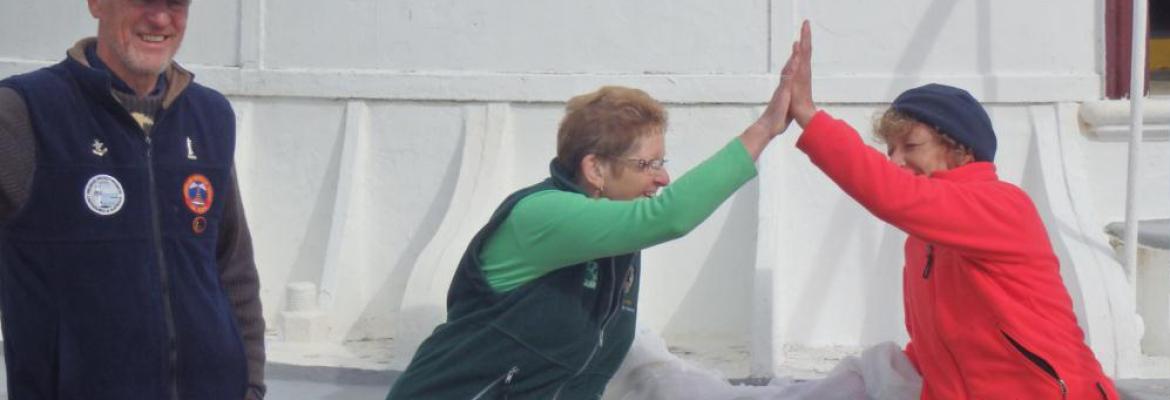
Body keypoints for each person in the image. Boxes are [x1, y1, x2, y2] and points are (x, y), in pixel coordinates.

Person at [386, 59, 798, 398]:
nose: (663, 178)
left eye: (662, 163)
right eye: (648, 165)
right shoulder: (543, 214)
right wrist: (763, 130)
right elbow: (670, 216)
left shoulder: (617, 239)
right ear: (595, 168)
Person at [784, 21, 1119, 399]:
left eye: (910, 146)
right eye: (890, 150)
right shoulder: (922, 238)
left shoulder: (1002, 206)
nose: (895, 161)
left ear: (961, 149)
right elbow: (935, 350)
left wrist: (809, 117)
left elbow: (892, 195)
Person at [0, 0, 265, 398]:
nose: (159, 18)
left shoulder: (210, 116)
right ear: (96, 4)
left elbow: (233, 268)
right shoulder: (24, 113)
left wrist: (250, 386)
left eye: (174, 4)